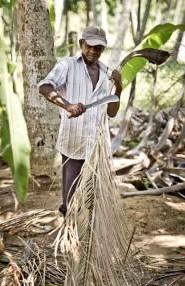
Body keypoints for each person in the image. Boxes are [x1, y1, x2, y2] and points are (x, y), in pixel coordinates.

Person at [38, 26, 122, 217]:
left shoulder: (107, 73)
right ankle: (68, 226)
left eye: (98, 48)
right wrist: (67, 105)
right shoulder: (67, 65)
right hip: (73, 141)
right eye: (89, 46)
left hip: (96, 145)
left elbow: (112, 112)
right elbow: (44, 86)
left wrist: (119, 87)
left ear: (103, 49)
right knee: (71, 193)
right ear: (81, 44)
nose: (93, 51)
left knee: (93, 195)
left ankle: (88, 228)